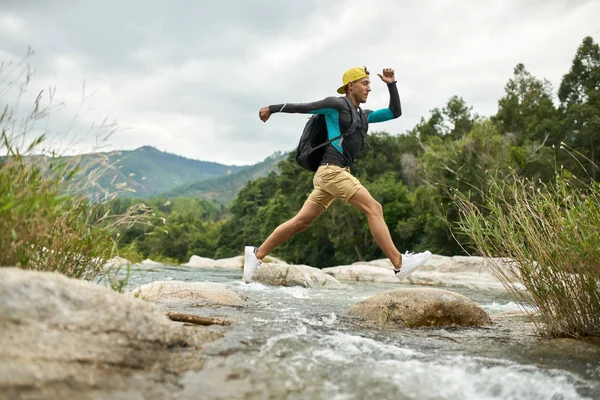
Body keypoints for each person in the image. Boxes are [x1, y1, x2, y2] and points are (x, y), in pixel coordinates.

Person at [243, 67, 431, 283]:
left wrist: (391, 84)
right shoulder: (336, 105)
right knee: (374, 208)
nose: (369, 88)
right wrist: (272, 109)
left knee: (300, 222)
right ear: (351, 85)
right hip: (332, 172)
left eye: (370, 84)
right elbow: (305, 107)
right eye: (365, 83)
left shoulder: (364, 116)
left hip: (331, 175)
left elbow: (394, 112)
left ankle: (256, 255)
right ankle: (399, 264)